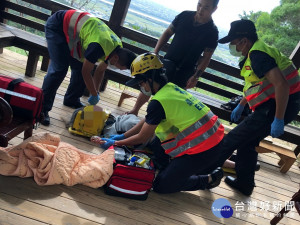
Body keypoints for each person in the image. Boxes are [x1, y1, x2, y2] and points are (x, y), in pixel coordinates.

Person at [97, 53, 225, 194]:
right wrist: (123, 137)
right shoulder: (169, 88)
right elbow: (149, 119)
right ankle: (172, 168)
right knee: (157, 144)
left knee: (161, 185)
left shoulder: (158, 102)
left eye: (141, 82)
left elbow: (142, 137)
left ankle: (208, 179)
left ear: (150, 79)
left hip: (205, 148)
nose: (141, 87)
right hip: (214, 137)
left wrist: (115, 144)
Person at [212, 19, 300, 196]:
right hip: (278, 104)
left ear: (244, 40)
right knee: (247, 143)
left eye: (233, 42)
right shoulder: (256, 51)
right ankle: (245, 184)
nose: (232, 46)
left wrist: (278, 119)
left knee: (231, 140)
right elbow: (259, 84)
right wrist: (242, 104)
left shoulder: (258, 55)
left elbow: (281, 85)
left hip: (277, 107)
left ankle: (203, 174)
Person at [41, 9, 136, 126]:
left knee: (80, 65)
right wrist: (94, 93)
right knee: (59, 69)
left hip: (75, 36)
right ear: (116, 58)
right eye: (121, 67)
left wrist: (94, 93)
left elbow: (100, 70)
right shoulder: (98, 46)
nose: (120, 69)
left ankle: (71, 99)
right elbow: (86, 72)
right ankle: (42, 110)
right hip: (58, 26)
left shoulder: (116, 46)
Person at [126, 0, 219, 115]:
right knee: (150, 84)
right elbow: (167, 33)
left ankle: (156, 126)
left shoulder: (212, 32)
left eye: (206, 7)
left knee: (171, 101)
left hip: (186, 71)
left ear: (214, 9)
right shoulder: (184, 16)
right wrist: (155, 53)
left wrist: (196, 77)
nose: (200, 10)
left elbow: (206, 58)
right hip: (166, 62)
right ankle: (135, 110)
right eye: (199, 5)